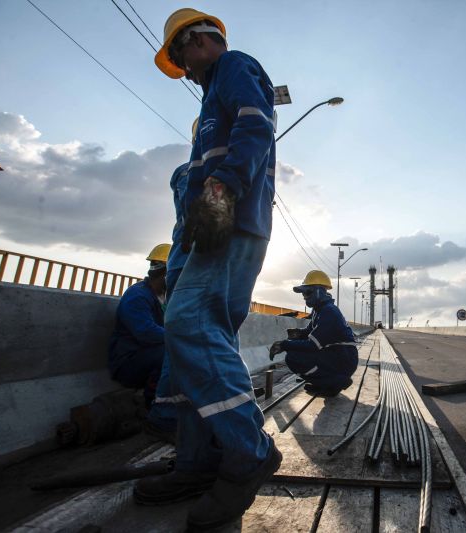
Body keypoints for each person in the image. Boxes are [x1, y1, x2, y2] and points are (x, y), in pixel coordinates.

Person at [134, 8, 281, 530]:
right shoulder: (211, 93)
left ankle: (250, 449)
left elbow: (257, 126)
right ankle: (199, 463)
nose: (183, 69)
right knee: (196, 344)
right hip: (213, 226)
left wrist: (223, 190)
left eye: (180, 57)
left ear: (200, 41)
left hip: (231, 223)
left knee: (188, 324)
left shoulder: (236, 66)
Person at [144, 119, 197, 442]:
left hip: (191, 266)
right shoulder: (193, 173)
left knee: (189, 342)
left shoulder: (191, 172)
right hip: (195, 266)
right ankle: (167, 415)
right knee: (186, 342)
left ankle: (178, 412)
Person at [269, 270, 359, 397]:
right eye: (303, 293)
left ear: (320, 291)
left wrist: (284, 345)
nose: (305, 296)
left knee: (293, 357)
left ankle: (336, 382)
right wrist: (298, 333)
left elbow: (312, 345)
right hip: (336, 355)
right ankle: (324, 384)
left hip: (343, 359)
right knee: (294, 349)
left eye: (308, 292)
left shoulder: (329, 312)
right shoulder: (320, 310)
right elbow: (310, 331)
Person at [108, 244, 170, 407]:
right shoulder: (137, 296)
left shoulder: (165, 296)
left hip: (148, 357)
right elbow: (146, 332)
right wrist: (178, 336)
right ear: (165, 274)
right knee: (171, 353)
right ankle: (152, 405)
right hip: (128, 364)